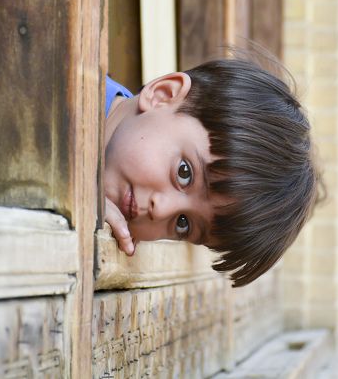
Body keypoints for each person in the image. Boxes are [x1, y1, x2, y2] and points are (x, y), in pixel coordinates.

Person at [103, 57, 321, 287]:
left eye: (183, 223)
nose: (161, 210)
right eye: (184, 173)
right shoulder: (66, 81)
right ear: (163, 95)